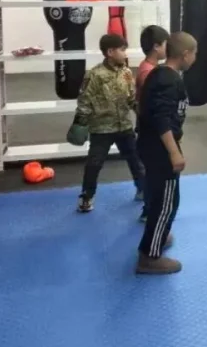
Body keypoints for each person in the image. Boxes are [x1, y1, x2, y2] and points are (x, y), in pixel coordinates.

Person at [136, 32, 197, 275]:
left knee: (158, 196)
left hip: (150, 144)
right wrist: (174, 152)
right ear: (185, 54)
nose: (195, 58)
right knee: (168, 202)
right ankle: (149, 257)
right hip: (160, 148)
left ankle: (157, 235)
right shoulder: (168, 80)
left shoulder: (160, 74)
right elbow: (161, 119)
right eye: (194, 54)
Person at [75, 34, 146, 213]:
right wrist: (80, 123)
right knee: (94, 163)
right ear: (110, 52)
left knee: (136, 160)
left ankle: (143, 189)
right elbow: (84, 101)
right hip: (102, 128)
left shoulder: (126, 73)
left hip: (124, 126)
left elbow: (131, 98)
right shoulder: (94, 75)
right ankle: (87, 196)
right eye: (122, 50)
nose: (125, 53)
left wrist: (142, 113)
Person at [135, 24, 169, 222]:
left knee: (151, 170)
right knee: (155, 172)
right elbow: (155, 105)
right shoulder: (148, 72)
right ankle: (149, 211)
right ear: (156, 46)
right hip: (150, 128)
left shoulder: (148, 67)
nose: (167, 48)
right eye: (165, 44)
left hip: (146, 125)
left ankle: (149, 205)